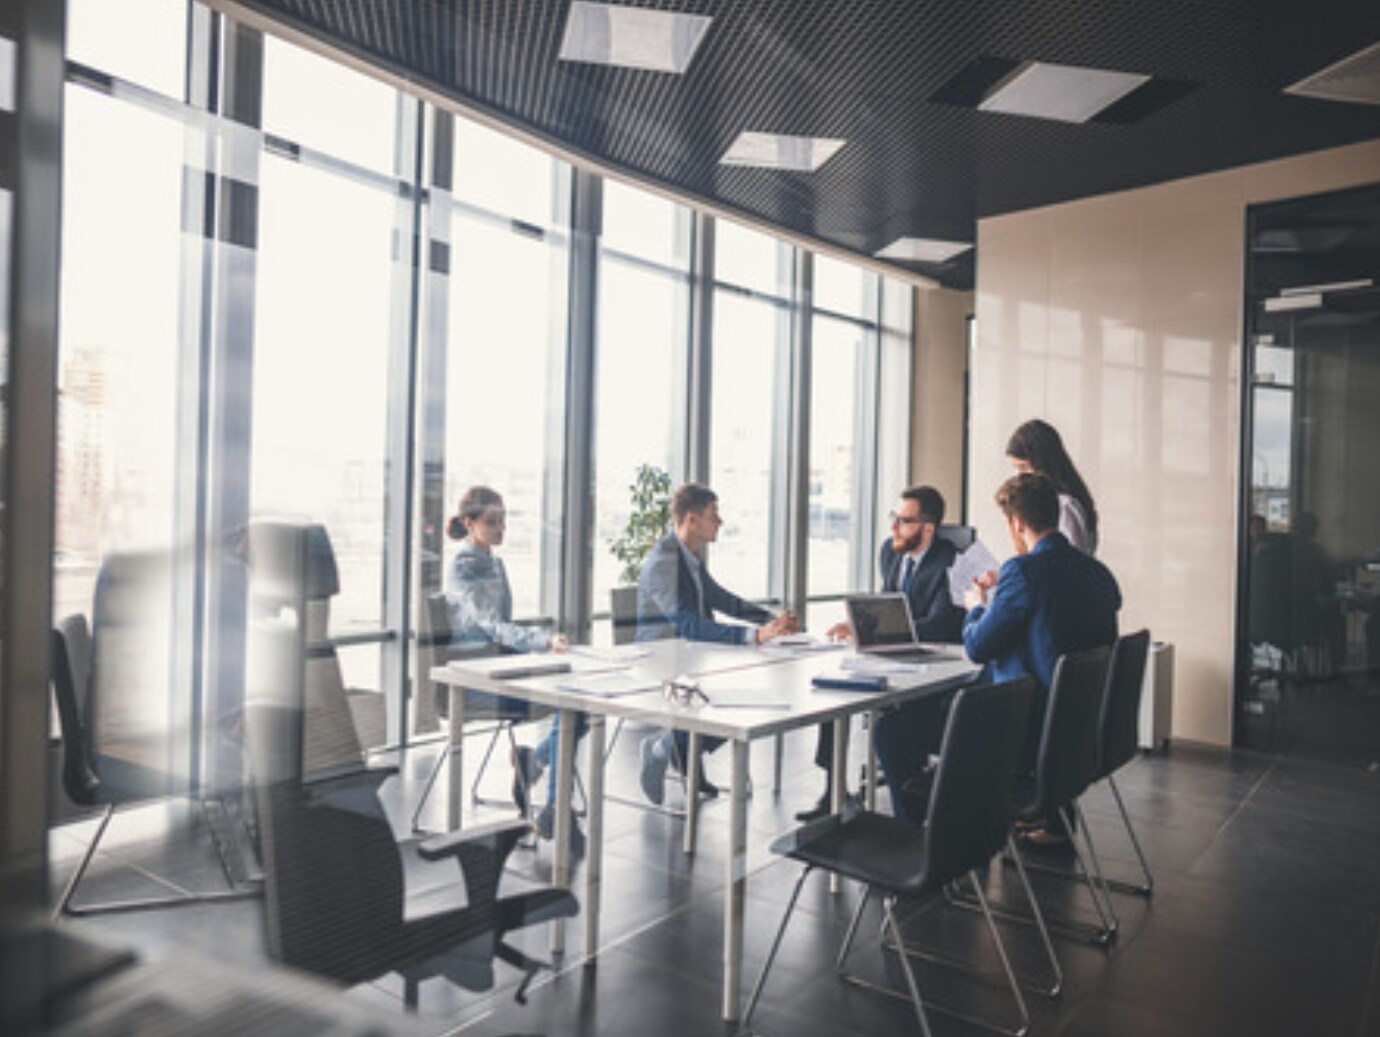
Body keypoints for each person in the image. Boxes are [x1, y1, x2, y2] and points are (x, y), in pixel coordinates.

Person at [873, 472, 1120, 832]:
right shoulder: (1099, 573)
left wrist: (976, 606)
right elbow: (1055, 623)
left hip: (1019, 732)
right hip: (1076, 730)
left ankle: (919, 841)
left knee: (892, 731)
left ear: (1016, 523)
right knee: (938, 708)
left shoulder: (1022, 571)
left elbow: (976, 646)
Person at [794, 485, 966, 821]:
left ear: (928, 528)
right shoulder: (890, 551)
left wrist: (878, 631)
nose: (894, 528)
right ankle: (834, 792)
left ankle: (913, 808)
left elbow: (941, 623)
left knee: (894, 725)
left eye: (904, 521)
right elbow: (887, 605)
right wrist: (859, 624)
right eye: (894, 518)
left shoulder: (951, 562)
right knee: (835, 691)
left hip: (931, 660)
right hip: (888, 652)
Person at [635, 482, 798, 804]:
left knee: (744, 699)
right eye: (714, 515)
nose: (720, 522)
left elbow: (720, 598)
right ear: (692, 520)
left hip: (690, 657)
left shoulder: (689, 556)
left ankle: (677, 749)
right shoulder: (664, 561)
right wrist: (753, 636)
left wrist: (770, 621)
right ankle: (662, 748)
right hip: (661, 661)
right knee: (729, 704)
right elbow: (688, 624)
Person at [446, 485, 580, 846]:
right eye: (493, 521)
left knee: (577, 704)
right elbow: (492, 624)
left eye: (504, 520)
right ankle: (551, 802)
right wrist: (541, 641)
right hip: (476, 678)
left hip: (501, 666)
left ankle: (535, 766)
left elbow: (502, 626)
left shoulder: (495, 561)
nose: (501, 528)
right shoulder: (462, 567)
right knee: (571, 706)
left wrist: (538, 647)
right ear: (468, 523)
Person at [1006, 418, 1099, 554]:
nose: (1019, 476)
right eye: (1017, 468)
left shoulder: (1065, 506)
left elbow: (1070, 565)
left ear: (1043, 463)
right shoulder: (1053, 502)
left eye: (1024, 467)